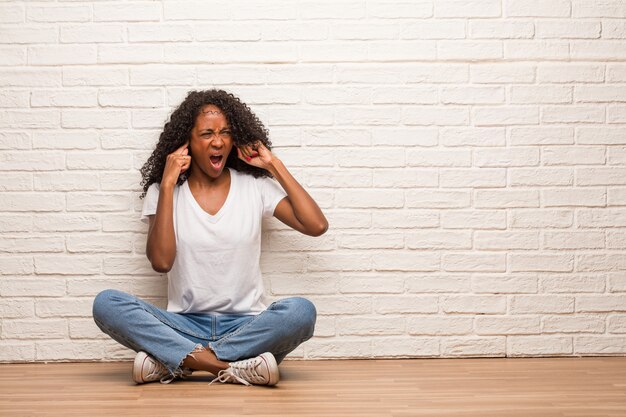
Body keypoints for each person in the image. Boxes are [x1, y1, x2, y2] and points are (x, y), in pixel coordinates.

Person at [92, 89, 328, 386]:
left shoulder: (255, 186)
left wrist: (273, 164)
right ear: (187, 141)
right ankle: (233, 367)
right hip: (182, 325)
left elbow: (316, 225)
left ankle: (178, 361)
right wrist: (166, 184)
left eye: (225, 132)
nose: (218, 141)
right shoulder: (164, 192)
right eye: (206, 133)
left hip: (247, 325)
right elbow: (162, 261)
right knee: (106, 304)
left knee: (300, 313)